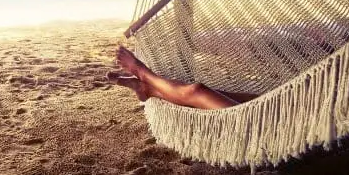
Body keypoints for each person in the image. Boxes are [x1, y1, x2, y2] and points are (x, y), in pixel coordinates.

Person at [109, 46, 259, 110]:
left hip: (271, 124)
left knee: (197, 91)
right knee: (253, 101)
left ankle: (144, 75)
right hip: (276, 110)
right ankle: (148, 89)